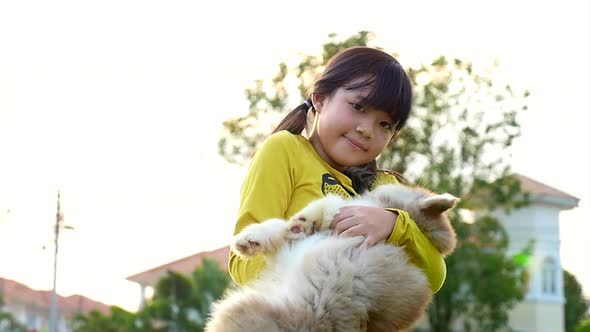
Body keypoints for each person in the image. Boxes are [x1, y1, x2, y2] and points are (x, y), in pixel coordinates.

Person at [228, 46, 446, 297]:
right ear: (320, 98)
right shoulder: (285, 150)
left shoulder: (386, 189)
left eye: (385, 124)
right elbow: (244, 260)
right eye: (358, 107)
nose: (367, 130)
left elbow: (435, 276)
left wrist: (395, 226)